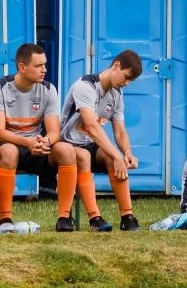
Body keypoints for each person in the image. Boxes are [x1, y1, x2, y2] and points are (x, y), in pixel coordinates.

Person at [0, 43, 74, 232]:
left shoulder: (49, 89)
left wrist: (45, 142)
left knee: (66, 150)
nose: (45, 70)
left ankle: (64, 218)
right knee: (8, 152)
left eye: (45, 65)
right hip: (8, 144)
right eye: (39, 66)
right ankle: (5, 219)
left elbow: (54, 132)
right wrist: (28, 142)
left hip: (36, 146)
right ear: (22, 67)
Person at [55, 50, 143, 232]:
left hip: (89, 144)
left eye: (130, 81)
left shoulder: (117, 94)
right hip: (66, 144)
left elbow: (119, 131)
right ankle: (94, 218)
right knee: (85, 157)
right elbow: (92, 126)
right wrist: (117, 155)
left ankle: (127, 217)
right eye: (126, 78)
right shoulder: (85, 86)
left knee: (112, 158)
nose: (126, 84)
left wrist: (127, 154)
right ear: (116, 65)